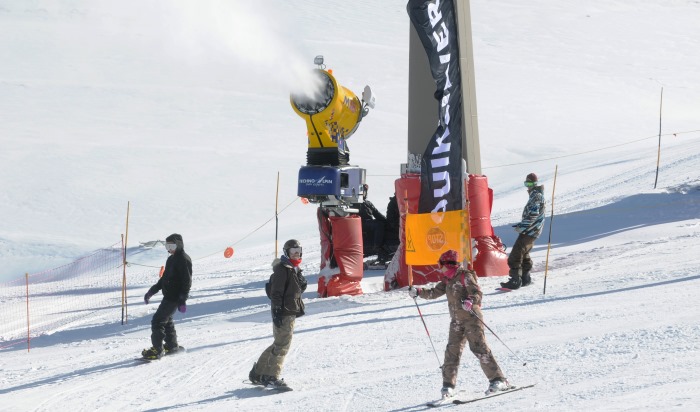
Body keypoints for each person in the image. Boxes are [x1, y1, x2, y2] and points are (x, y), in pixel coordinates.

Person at [408, 249, 510, 399]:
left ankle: (498, 380)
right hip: (456, 321)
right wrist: (418, 292)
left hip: (471, 318)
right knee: (452, 352)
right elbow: (434, 293)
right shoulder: (447, 279)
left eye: (440, 264)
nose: (439, 267)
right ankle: (448, 386)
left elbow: (477, 293)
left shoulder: (465, 275)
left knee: (479, 348)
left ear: (447, 264)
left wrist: (470, 301)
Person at [249, 239, 308, 390]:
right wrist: (276, 311)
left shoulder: (293, 268)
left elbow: (294, 290)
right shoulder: (283, 269)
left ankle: (258, 373)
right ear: (286, 252)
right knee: (283, 345)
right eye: (293, 251)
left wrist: (301, 282)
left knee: (279, 343)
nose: (296, 253)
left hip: (289, 311)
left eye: (298, 250)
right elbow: (276, 293)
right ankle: (271, 377)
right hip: (284, 312)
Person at [142, 233, 192, 359]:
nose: (170, 248)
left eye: (172, 245)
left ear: (179, 245)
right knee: (167, 320)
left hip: (174, 298)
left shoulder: (183, 259)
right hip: (168, 297)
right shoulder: (171, 259)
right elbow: (164, 279)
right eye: (167, 246)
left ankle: (157, 350)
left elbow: (187, 281)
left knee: (158, 321)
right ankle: (171, 345)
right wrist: (152, 291)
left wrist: (182, 300)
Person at [501, 172, 546, 290]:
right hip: (531, 230)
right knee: (524, 253)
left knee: (515, 254)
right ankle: (525, 278)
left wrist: (523, 226)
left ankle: (515, 280)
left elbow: (533, 214)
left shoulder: (536, 195)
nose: (528, 186)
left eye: (530, 183)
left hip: (530, 230)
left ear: (535, 183)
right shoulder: (535, 194)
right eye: (526, 183)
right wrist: (522, 225)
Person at [353, 184, 387, 259]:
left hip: (368, 223)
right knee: (379, 225)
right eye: (363, 191)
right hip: (359, 223)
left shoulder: (368, 203)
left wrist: (386, 221)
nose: (364, 193)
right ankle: (377, 247)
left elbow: (377, 214)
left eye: (365, 192)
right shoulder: (352, 202)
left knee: (381, 223)